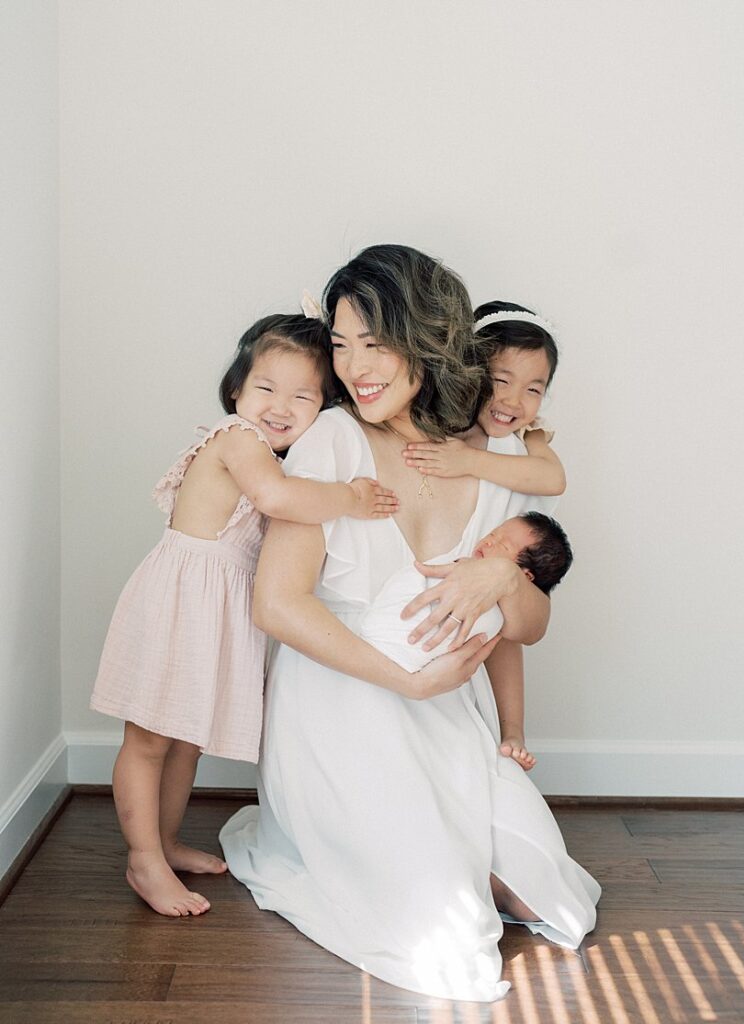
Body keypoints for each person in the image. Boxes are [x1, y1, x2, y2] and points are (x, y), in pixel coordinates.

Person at [220, 246, 600, 1002]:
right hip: (347, 698)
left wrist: (501, 574)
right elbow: (277, 604)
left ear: (426, 335)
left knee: (550, 900)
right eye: (341, 342)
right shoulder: (333, 439)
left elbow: (531, 628)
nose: (354, 365)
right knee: (450, 938)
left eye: (375, 341)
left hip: (453, 712)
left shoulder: (487, 457)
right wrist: (407, 680)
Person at [90, 313, 398, 919]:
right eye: (266, 389)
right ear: (237, 391)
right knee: (150, 738)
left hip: (216, 609)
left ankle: (167, 840)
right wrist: (352, 498)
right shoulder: (239, 440)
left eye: (303, 396)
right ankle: (142, 858)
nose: (281, 407)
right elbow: (277, 500)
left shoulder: (276, 453)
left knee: (187, 741)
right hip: (180, 601)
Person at [401, 300, 566, 769]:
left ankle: (511, 732)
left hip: (469, 641)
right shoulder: (426, 429)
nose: (514, 401)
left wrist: (474, 461)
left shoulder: (517, 461)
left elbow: (553, 480)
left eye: (534, 388)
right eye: (500, 380)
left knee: (500, 603)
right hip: (401, 631)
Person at [357, 511, 572, 670]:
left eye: (503, 545)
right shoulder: (461, 564)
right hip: (369, 635)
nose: (488, 541)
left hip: (400, 656)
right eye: (493, 534)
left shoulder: (500, 615)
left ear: (526, 577)